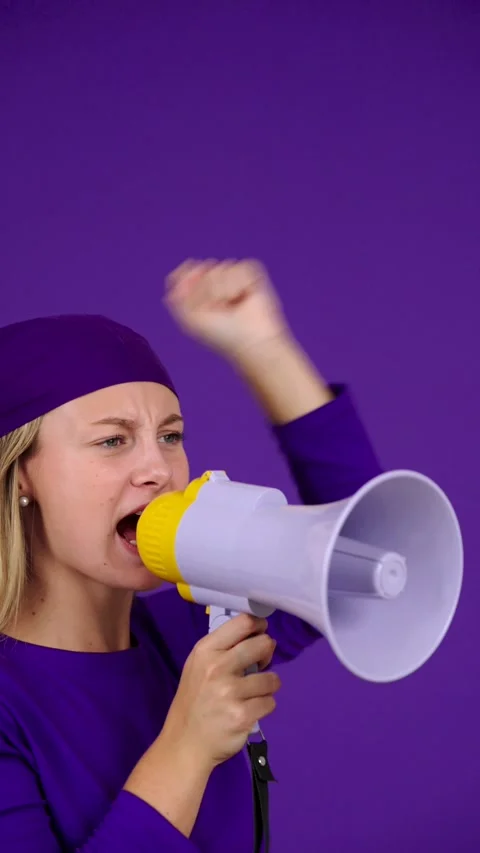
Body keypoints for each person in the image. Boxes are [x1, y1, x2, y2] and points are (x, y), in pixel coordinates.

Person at [0, 259, 382, 852]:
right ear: (22, 474)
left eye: (171, 436)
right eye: (112, 440)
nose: (159, 470)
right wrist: (187, 747)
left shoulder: (197, 627)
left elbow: (361, 552)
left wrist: (261, 344)